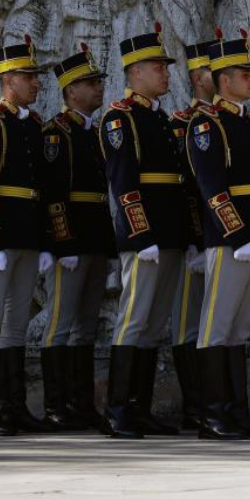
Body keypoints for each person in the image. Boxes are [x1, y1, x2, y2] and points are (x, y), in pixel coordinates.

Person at [187, 30, 250, 440]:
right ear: (223, 79)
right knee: (217, 325)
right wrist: (237, 232)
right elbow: (211, 186)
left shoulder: (246, 123)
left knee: (241, 327)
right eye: (245, 73)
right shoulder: (208, 125)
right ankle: (214, 413)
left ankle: (238, 411)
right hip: (230, 239)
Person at [99, 24, 191, 439]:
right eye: (157, 67)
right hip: (146, 237)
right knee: (133, 320)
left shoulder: (160, 120)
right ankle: (118, 409)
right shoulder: (121, 119)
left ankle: (140, 407)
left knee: (154, 325)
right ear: (135, 71)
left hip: (169, 234)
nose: (166, 73)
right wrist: (141, 236)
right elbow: (123, 185)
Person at [0, 37, 53, 435]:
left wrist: (47, 242)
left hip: (28, 236)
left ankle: (12, 407)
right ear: (8, 80)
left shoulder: (34, 125)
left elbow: (43, 188)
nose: (36, 84)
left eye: (35, 76)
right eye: (29, 77)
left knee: (16, 323)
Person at [40, 43, 116, 432]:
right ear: (71, 90)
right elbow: (53, 194)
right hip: (70, 242)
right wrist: (62, 243)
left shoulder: (95, 133)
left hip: (95, 239)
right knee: (60, 323)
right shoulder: (57, 134)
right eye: (90, 83)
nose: (99, 88)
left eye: (99, 81)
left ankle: (81, 402)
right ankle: (56, 405)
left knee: (85, 325)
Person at [166, 33, 219, 430]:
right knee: (188, 322)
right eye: (213, 71)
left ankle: (218, 400)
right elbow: (182, 187)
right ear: (199, 77)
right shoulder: (181, 125)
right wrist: (190, 238)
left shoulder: (232, 122)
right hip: (195, 238)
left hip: (226, 239)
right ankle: (196, 404)